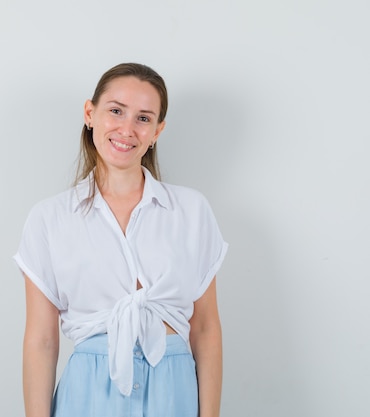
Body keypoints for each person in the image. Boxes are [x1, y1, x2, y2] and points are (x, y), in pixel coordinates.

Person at [14, 63, 228, 417]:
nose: (127, 129)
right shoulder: (49, 218)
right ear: (90, 113)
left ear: (157, 130)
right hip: (89, 391)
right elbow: (41, 340)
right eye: (116, 111)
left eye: (144, 118)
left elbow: (205, 329)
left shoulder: (191, 211)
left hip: (174, 390)